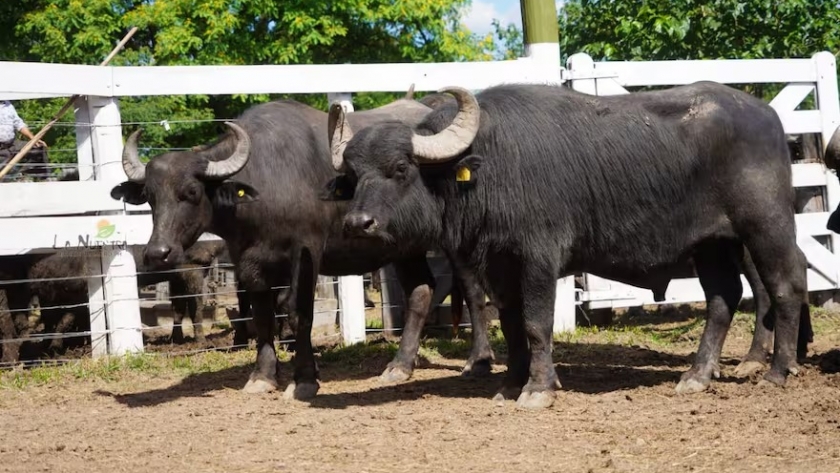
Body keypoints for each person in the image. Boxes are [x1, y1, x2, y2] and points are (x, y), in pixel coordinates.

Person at [0, 100, 49, 181]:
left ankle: (31, 178)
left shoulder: (7, 104)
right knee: (3, 180)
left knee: (37, 148)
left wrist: (34, 139)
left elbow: (18, 123)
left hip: (11, 145)